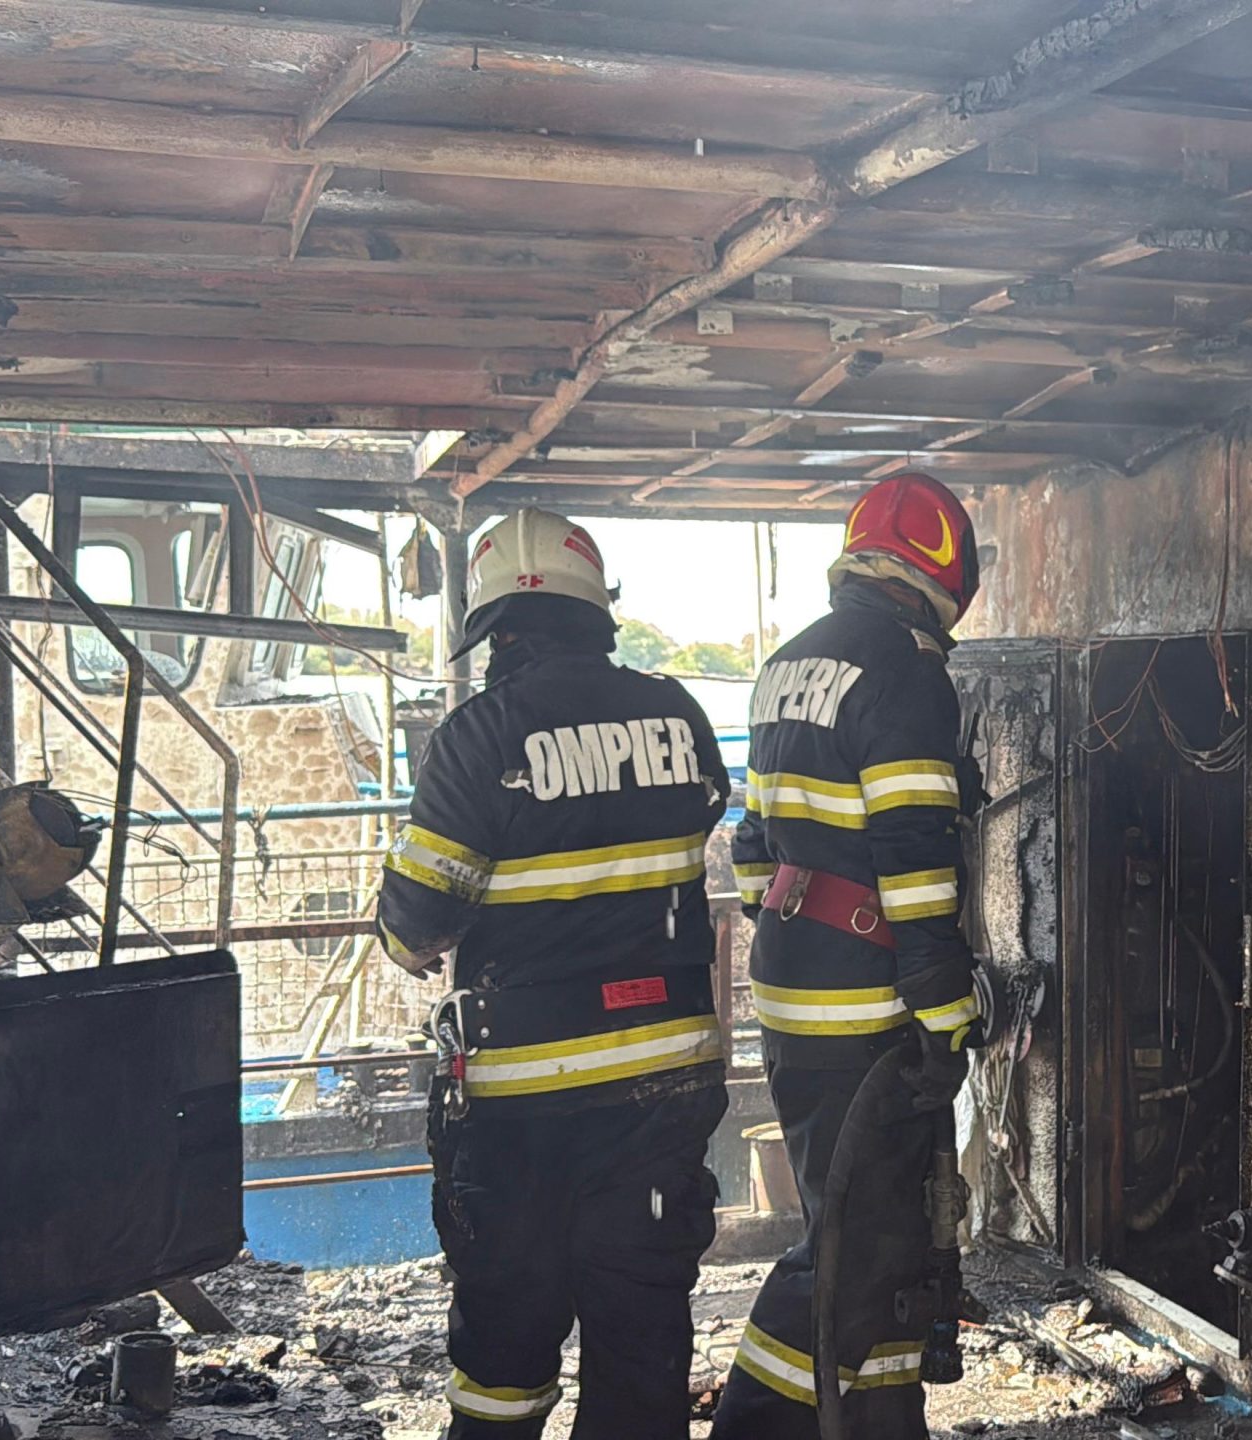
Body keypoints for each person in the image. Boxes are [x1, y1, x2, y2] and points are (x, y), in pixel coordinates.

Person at [376, 508, 731, 1440]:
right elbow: (698, 823)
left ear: (495, 630)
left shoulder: (478, 736)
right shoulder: (682, 716)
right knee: (641, 1340)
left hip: (525, 1104)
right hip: (665, 1082)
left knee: (507, 1343)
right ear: (596, 611)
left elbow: (413, 932)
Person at [711, 474, 984, 1439]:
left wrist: (803, 937)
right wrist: (946, 1009)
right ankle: (752, 1425)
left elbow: (754, 848)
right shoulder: (904, 671)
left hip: (797, 985)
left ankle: (880, 1426)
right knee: (851, 1251)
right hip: (866, 1006)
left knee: (883, 1243)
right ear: (944, 575)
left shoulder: (786, 664)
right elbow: (914, 853)